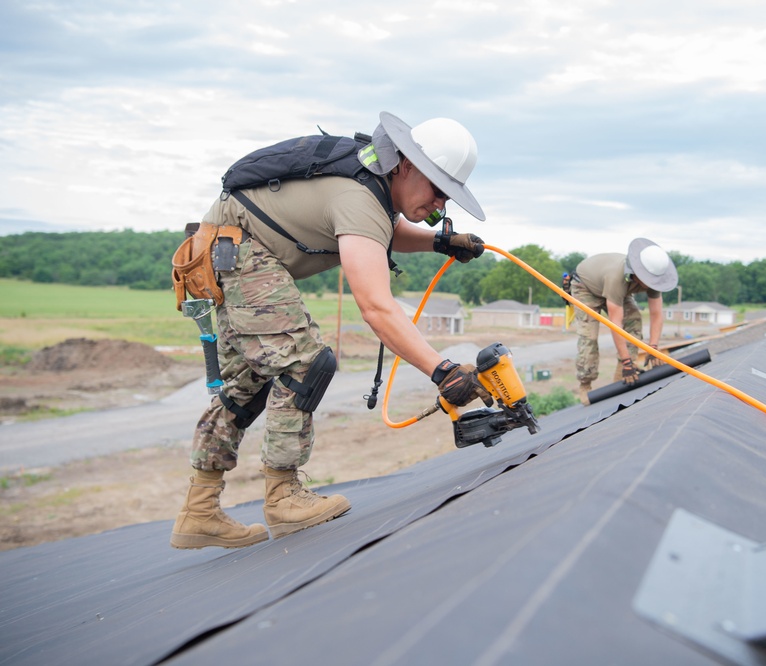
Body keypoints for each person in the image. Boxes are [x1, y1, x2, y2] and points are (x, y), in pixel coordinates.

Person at [170, 112, 494, 549]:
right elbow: (377, 307)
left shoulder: (368, 186)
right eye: (439, 190)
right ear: (408, 165)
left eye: (448, 198)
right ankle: (283, 496)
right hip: (238, 248)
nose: (440, 206)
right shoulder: (359, 196)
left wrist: (438, 241)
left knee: (249, 381)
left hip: (222, 249)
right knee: (306, 362)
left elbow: (382, 231)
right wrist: (444, 372)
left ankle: (199, 510)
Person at [569, 238, 677, 400]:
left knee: (634, 322)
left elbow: (656, 314)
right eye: (649, 280)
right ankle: (586, 384)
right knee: (589, 337)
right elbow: (616, 324)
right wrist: (627, 360)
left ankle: (622, 377)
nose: (652, 284)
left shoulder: (653, 279)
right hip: (586, 287)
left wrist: (653, 348)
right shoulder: (617, 278)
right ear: (637, 273)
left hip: (618, 291)